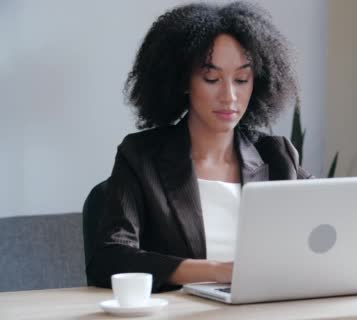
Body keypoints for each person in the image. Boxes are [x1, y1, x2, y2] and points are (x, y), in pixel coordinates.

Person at [86, 1, 312, 292]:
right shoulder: (141, 157)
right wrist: (217, 271)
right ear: (183, 81)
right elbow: (109, 259)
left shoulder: (278, 155)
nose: (229, 96)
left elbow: (327, 230)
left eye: (242, 79)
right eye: (211, 78)